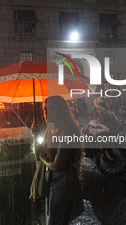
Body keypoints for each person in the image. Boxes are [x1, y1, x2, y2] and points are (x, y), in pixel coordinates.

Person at [37, 96, 83, 225]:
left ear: (60, 110)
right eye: (45, 109)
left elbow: (58, 165)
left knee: (57, 220)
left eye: (50, 109)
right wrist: (35, 133)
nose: (46, 112)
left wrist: (43, 159)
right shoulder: (50, 130)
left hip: (63, 180)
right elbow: (39, 153)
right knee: (53, 217)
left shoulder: (67, 132)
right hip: (52, 178)